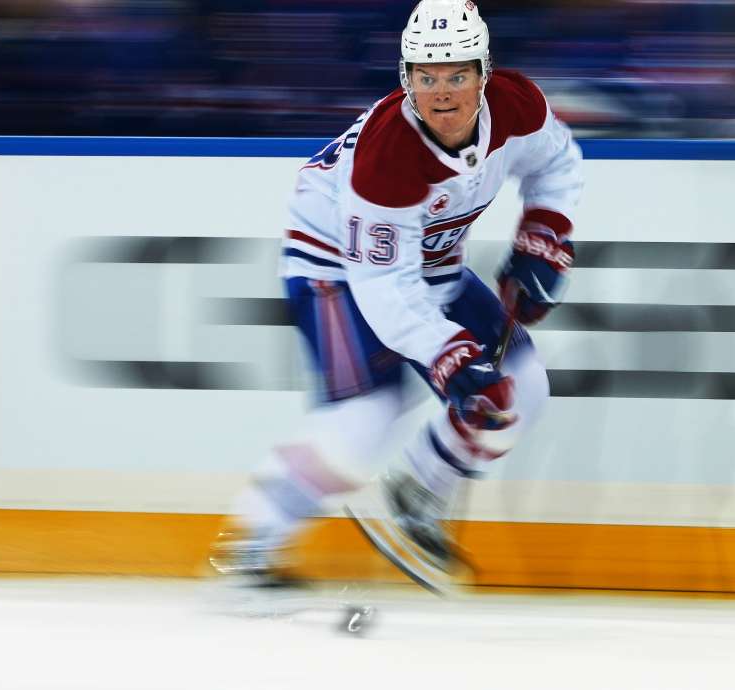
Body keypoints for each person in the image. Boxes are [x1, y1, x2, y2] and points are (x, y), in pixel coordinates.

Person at [210, 0, 583, 586]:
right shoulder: (387, 157)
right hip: (333, 264)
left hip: (429, 259)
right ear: (404, 78)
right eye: (425, 76)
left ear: (485, 73)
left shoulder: (518, 105)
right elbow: (383, 286)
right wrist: (446, 355)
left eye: (457, 74)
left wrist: (545, 230)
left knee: (524, 388)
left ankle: (419, 489)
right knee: (365, 418)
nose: (441, 93)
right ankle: (254, 544)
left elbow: (556, 164)